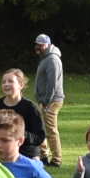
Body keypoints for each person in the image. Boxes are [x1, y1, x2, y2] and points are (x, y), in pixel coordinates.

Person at [0, 68, 48, 160]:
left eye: (10, 81)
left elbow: (39, 137)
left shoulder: (31, 107)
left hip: (27, 152)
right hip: (4, 150)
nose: (6, 84)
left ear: (21, 85)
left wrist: (17, 133)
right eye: (3, 82)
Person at [30, 34, 67, 163]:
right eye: (37, 44)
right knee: (41, 128)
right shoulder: (45, 58)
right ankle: (43, 155)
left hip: (52, 100)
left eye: (41, 44)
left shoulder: (52, 59)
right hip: (44, 100)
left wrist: (46, 100)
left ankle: (56, 159)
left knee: (51, 130)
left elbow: (53, 83)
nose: (38, 47)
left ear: (48, 44)